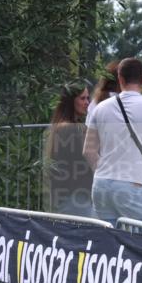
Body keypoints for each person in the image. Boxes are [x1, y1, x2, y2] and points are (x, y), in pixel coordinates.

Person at [83, 57, 142, 225]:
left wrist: (103, 172)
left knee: (108, 245)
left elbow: (88, 150)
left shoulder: (100, 108)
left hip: (101, 185)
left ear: (120, 79)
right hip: (134, 183)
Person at [45, 80, 94, 217]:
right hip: (76, 196)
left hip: (69, 195)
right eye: (82, 98)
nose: (87, 102)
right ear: (71, 101)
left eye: (88, 98)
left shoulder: (62, 127)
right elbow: (88, 158)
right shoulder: (70, 129)